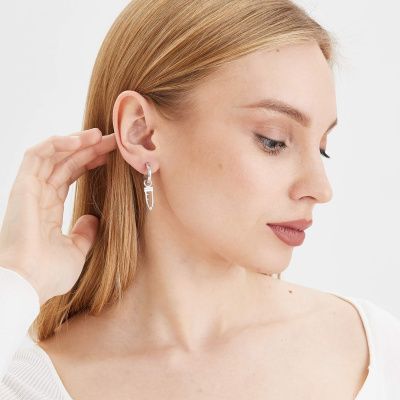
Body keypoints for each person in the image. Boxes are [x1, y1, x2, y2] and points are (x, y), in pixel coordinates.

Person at [1, 0, 399, 399]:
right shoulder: (25, 383)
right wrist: (20, 278)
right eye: (273, 140)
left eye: (322, 148)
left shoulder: (378, 351)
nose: (321, 188)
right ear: (143, 134)